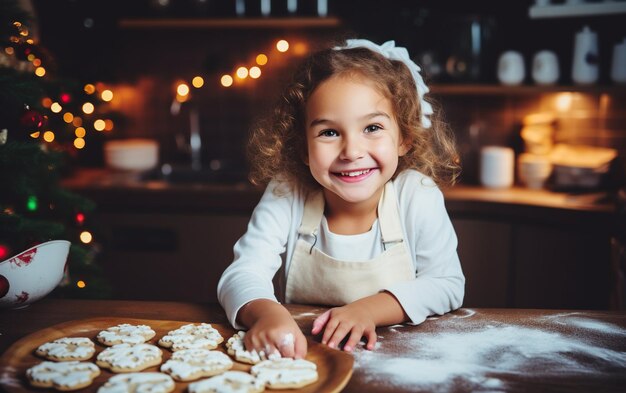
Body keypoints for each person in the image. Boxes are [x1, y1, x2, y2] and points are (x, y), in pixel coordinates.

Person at [217, 38, 465, 359]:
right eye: (329, 132)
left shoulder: (417, 195)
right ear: (303, 147)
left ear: (404, 136)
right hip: (311, 355)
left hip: (399, 359)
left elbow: (446, 283)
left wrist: (368, 310)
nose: (352, 152)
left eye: (372, 127)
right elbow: (242, 273)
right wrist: (266, 314)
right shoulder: (288, 191)